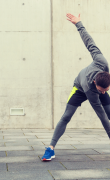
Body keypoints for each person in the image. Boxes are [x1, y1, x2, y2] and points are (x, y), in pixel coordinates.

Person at [41, 13, 110, 161]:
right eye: (102, 91)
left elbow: (89, 42)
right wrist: (97, 92)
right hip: (80, 89)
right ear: (95, 84)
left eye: (106, 90)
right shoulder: (90, 89)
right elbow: (102, 118)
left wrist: (79, 24)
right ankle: (50, 148)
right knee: (66, 116)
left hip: (94, 86)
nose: (104, 92)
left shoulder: (101, 61)